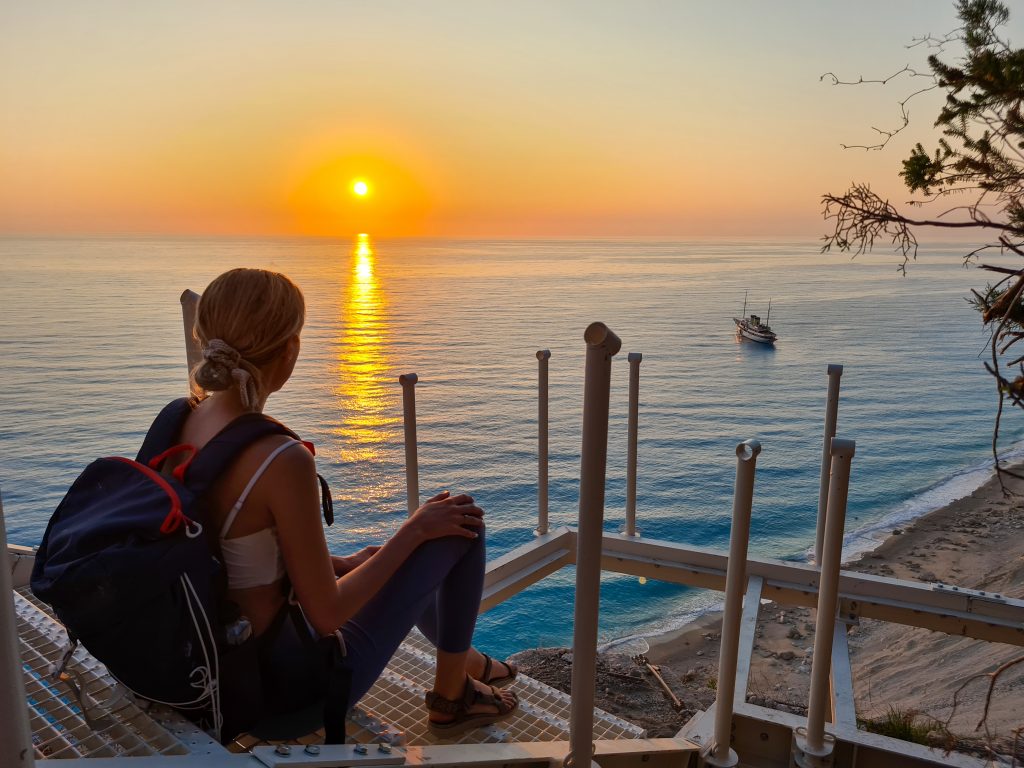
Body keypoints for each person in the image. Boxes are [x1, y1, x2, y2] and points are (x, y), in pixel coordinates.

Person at [168, 267, 518, 738]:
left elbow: (223, 546)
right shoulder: (279, 458)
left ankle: (469, 662)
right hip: (283, 692)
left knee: (399, 553)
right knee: (460, 522)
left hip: (202, 667)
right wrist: (411, 530)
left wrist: (340, 562)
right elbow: (327, 614)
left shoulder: (181, 421)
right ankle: (453, 696)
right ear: (290, 349)